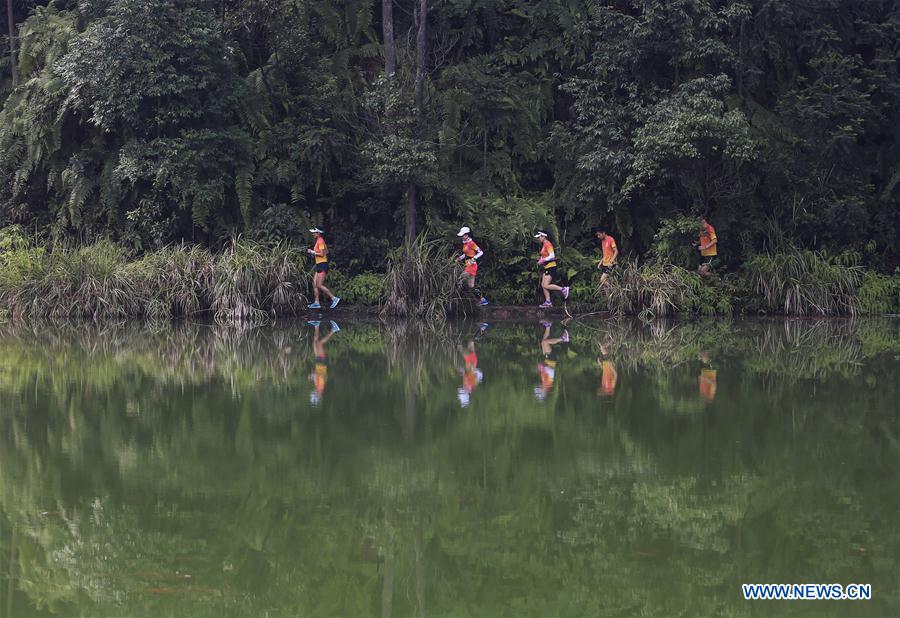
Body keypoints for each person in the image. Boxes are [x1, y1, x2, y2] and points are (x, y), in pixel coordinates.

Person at [535, 320, 569, 401]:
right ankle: (563, 339)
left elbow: (545, 371)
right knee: (546, 342)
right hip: (551, 360)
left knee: (543, 342)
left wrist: (542, 367)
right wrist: (543, 367)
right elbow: (551, 371)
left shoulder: (544, 383)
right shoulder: (547, 384)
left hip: (547, 360)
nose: (538, 386)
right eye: (539, 389)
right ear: (543, 391)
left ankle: (548, 326)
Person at [306, 227, 340, 309]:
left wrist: (312, 252)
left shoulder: (320, 240)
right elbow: (325, 252)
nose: (313, 234)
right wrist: (313, 253)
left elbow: (321, 254)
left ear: (318, 233)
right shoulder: (318, 241)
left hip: (322, 264)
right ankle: (317, 302)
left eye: (314, 232)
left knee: (319, 285)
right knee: (314, 283)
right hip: (319, 264)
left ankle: (334, 298)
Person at [308, 320, 340, 406]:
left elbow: (317, 376)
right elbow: (322, 376)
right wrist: (314, 375)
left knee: (314, 342)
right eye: (313, 394)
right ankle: (334, 330)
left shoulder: (317, 387)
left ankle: (316, 325)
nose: (312, 392)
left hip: (318, 363)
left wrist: (312, 377)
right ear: (316, 395)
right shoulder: (320, 388)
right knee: (320, 343)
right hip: (322, 362)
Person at [534, 231, 569, 308]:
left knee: (546, 285)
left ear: (543, 236)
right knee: (543, 285)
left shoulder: (548, 244)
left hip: (551, 267)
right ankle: (548, 302)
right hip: (547, 267)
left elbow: (552, 255)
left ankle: (563, 289)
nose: (538, 239)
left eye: (539, 237)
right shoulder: (544, 245)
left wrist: (543, 260)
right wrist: (541, 258)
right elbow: (546, 256)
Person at [455, 226, 489, 306]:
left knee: (460, 279)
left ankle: (457, 297)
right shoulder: (465, 243)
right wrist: (459, 258)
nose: (462, 237)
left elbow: (480, 252)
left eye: (463, 235)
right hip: (468, 265)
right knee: (471, 286)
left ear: (467, 235)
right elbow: (465, 254)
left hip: (472, 265)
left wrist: (474, 258)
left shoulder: (471, 243)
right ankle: (483, 300)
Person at [456, 340, 484, 408]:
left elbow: (466, 376)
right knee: (468, 356)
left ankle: (470, 342)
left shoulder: (467, 386)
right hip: (474, 370)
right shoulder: (469, 386)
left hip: (473, 370)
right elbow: (471, 375)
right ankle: (472, 341)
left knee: (467, 357)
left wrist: (462, 372)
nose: (461, 387)